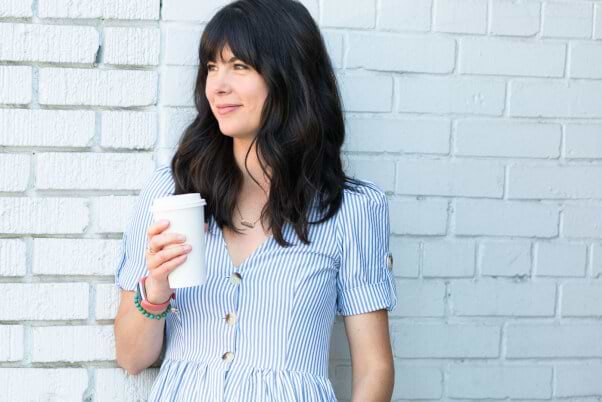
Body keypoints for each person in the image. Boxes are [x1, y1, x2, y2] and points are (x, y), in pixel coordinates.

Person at [113, 0, 398, 400]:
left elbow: (374, 368)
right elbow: (131, 357)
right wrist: (157, 289)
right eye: (211, 67)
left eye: (239, 66)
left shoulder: (350, 210)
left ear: (289, 77)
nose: (217, 85)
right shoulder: (172, 192)